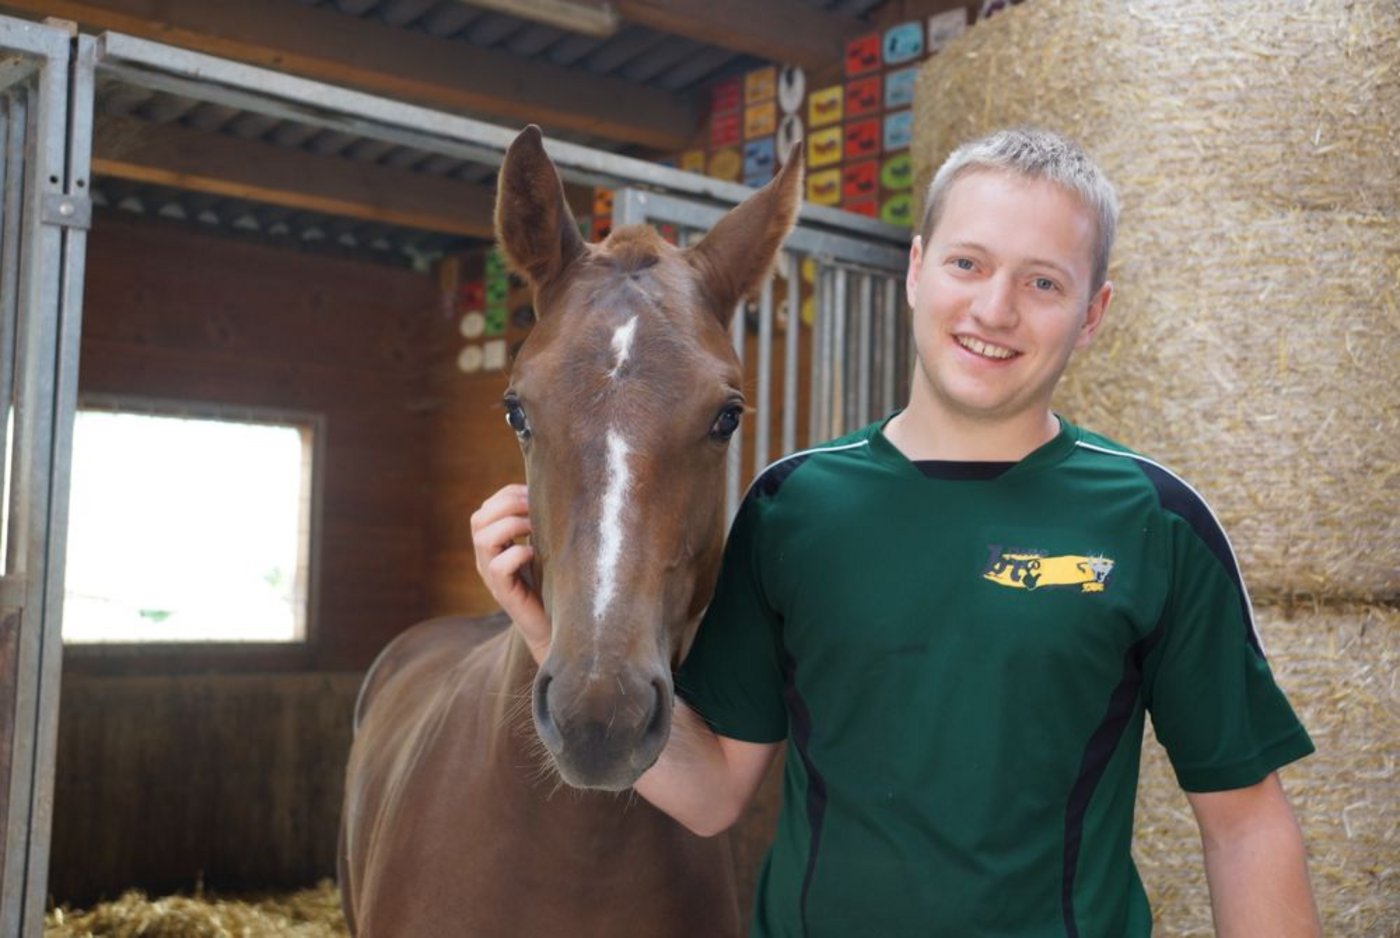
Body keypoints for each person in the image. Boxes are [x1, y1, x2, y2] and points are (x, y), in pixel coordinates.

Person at [471, 127, 1321, 936]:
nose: (995, 309)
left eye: (1043, 283)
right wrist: (547, 630)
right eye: (967, 263)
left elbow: (1245, 825)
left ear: (1093, 314)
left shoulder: (1158, 524)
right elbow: (714, 792)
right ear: (916, 271)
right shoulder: (789, 510)